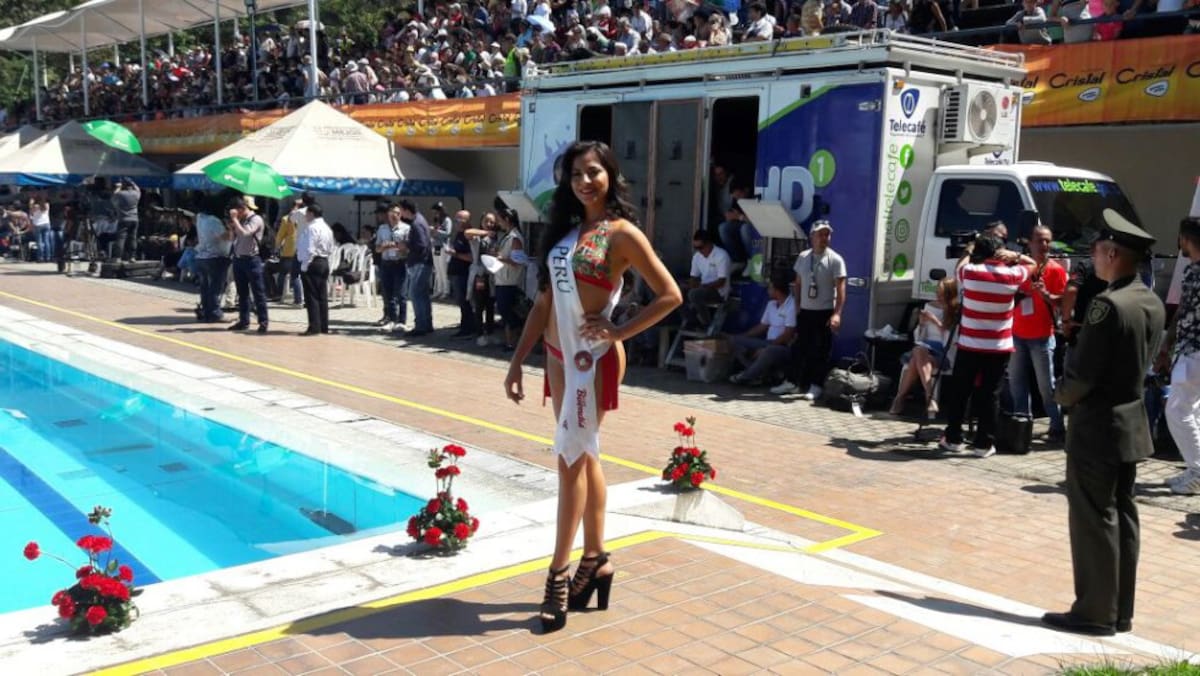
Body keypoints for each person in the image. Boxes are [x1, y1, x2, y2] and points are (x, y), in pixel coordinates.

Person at [503, 140, 682, 632]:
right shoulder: (564, 233)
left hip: (594, 360)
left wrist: (620, 330)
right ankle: (597, 559)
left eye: (594, 172)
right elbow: (543, 304)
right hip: (558, 358)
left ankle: (558, 574)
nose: (585, 181)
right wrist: (517, 361)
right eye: (576, 174)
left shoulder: (621, 234)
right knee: (585, 457)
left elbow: (670, 295)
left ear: (610, 176)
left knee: (569, 461)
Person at [1042, 209, 1165, 637]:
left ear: (1112, 253)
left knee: (1094, 519)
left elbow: (1083, 375)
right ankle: (1119, 610)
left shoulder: (1107, 305)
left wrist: (1058, 397)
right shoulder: (1148, 300)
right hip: (1130, 422)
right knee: (1123, 517)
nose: (1092, 258)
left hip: (1096, 425)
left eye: (1096, 250)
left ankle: (1094, 611)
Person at [938, 229, 1035, 457]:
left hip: (970, 345)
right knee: (990, 394)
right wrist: (1014, 256)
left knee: (961, 391)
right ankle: (983, 443)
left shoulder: (971, 272)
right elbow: (1033, 264)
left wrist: (969, 248)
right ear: (999, 252)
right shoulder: (1012, 276)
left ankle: (953, 438)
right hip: (998, 347)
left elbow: (959, 267)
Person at [772, 220, 847, 400]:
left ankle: (816, 385)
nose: (824, 238)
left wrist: (837, 313)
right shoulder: (803, 257)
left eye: (827, 234)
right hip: (806, 310)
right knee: (799, 347)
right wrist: (797, 305)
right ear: (812, 236)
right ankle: (791, 382)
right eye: (820, 234)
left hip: (825, 311)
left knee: (821, 350)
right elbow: (798, 283)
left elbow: (842, 289)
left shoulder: (835, 260)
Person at [1008, 223, 1068, 442]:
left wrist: (1045, 294)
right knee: (1017, 382)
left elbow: (1063, 302)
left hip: (1042, 336)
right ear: (1029, 243)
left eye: (1047, 240)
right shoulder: (1020, 268)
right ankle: (1021, 424)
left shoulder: (1056, 270)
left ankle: (1057, 426)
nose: (1044, 244)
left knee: (1047, 385)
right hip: (1016, 334)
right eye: (1039, 240)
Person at [1159, 216, 1200, 495]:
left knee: (1177, 411)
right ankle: (1192, 469)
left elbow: (1184, 313)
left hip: (1194, 352)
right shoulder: (1192, 271)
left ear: (1186, 239)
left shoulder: (1195, 273)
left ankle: (1197, 471)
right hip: (1189, 351)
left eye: (1181, 238)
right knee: (1191, 411)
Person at [890, 277, 959, 418]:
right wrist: (921, 324)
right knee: (918, 351)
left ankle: (900, 398)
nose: (938, 297)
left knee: (917, 356)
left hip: (943, 352)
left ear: (950, 295)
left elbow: (952, 340)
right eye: (937, 293)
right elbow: (919, 339)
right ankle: (930, 398)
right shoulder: (929, 306)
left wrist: (936, 322)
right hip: (925, 348)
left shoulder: (955, 311)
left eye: (942, 294)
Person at [728, 276, 796, 386]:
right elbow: (762, 326)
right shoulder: (771, 304)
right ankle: (758, 375)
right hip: (767, 342)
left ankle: (746, 376)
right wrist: (743, 336)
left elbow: (788, 334)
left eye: (770, 288)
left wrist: (764, 348)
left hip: (782, 346)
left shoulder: (791, 306)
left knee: (768, 351)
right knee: (734, 340)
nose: (768, 291)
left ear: (777, 291)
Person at [226, 196, 270, 334]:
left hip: (252, 260)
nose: (234, 215)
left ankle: (263, 321)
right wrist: (232, 226)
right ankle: (244, 321)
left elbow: (245, 234)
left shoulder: (256, 219)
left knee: (258, 292)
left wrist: (234, 220)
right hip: (239, 259)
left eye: (236, 212)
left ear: (242, 209)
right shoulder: (241, 220)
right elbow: (233, 239)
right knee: (242, 293)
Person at [493, 204, 527, 351]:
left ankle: (514, 340)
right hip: (502, 279)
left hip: (510, 281)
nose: (498, 223)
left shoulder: (515, 238)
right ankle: (509, 341)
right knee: (504, 312)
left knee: (508, 312)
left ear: (507, 219)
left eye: (500, 220)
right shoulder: (507, 237)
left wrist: (501, 258)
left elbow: (518, 262)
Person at [298, 203, 335, 335]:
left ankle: (314, 327)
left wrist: (304, 265)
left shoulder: (312, 228)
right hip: (323, 261)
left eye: (307, 213)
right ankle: (323, 326)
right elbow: (331, 247)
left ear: (312, 213)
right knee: (322, 296)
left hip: (312, 262)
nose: (305, 216)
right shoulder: (327, 228)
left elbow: (310, 248)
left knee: (311, 296)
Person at [400, 199, 435, 337]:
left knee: (415, 294)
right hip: (423, 262)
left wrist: (406, 245)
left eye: (401, 210)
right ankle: (426, 324)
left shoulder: (416, 223)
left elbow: (421, 245)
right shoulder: (420, 220)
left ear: (407, 210)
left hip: (420, 263)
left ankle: (421, 325)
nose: (401, 213)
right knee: (423, 295)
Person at [684, 230, 732, 329]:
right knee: (677, 292)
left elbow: (721, 282)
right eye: (696, 248)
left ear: (709, 244)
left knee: (694, 294)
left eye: (700, 247)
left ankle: (706, 323)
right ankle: (691, 319)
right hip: (704, 287)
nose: (699, 250)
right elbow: (694, 276)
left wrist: (702, 286)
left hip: (718, 291)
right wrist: (690, 284)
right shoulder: (697, 257)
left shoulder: (721, 255)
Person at [375, 204, 409, 332]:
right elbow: (377, 248)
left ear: (400, 215)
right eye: (391, 214)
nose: (394, 216)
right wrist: (384, 247)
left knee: (401, 293)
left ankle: (402, 321)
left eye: (396, 213)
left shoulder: (406, 228)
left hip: (400, 262)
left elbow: (408, 247)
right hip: (386, 263)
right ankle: (392, 319)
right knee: (388, 293)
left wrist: (398, 246)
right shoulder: (382, 229)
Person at [194, 211, 233, 323]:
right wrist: (230, 229)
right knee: (215, 287)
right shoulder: (213, 220)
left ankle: (207, 311)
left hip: (202, 256)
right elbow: (225, 236)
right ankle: (215, 313)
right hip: (215, 256)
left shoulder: (200, 218)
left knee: (205, 287)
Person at [448, 209, 477, 337]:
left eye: (459, 220)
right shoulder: (458, 234)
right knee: (460, 301)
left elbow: (472, 257)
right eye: (455, 220)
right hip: (455, 272)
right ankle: (465, 324)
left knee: (465, 301)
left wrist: (456, 254)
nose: (456, 223)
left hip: (464, 273)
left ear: (467, 221)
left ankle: (469, 327)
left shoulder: (468, 235)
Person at [110, 178, 141, 262]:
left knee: (121, 238)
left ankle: (117, 257)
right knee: (133, 238)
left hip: (123, 219)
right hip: (134, 219)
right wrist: (133, 182)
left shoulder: (121, 194)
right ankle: (132, 256)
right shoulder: (136, 194)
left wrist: (118, 187)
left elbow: (113, 197)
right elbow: (138, 189)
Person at [430, 201, 453, 299]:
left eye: (437, 211)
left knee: (443, 270)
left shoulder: (447, 220)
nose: (436, 213)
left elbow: (447, 233)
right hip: (435, 246)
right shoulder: (437, 220)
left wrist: (436, 231)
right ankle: (438, 290)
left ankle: (446, 290)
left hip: (443, 247)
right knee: (437, 270)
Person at [29, 193, 53, 263]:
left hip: (38, 224)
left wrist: (31, 203)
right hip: (46, 223)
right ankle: (48, 257)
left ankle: (41, 257)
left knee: (39, 242)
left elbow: (31, 213)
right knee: (47, 241)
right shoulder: (46, 205)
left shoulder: (35, 206)